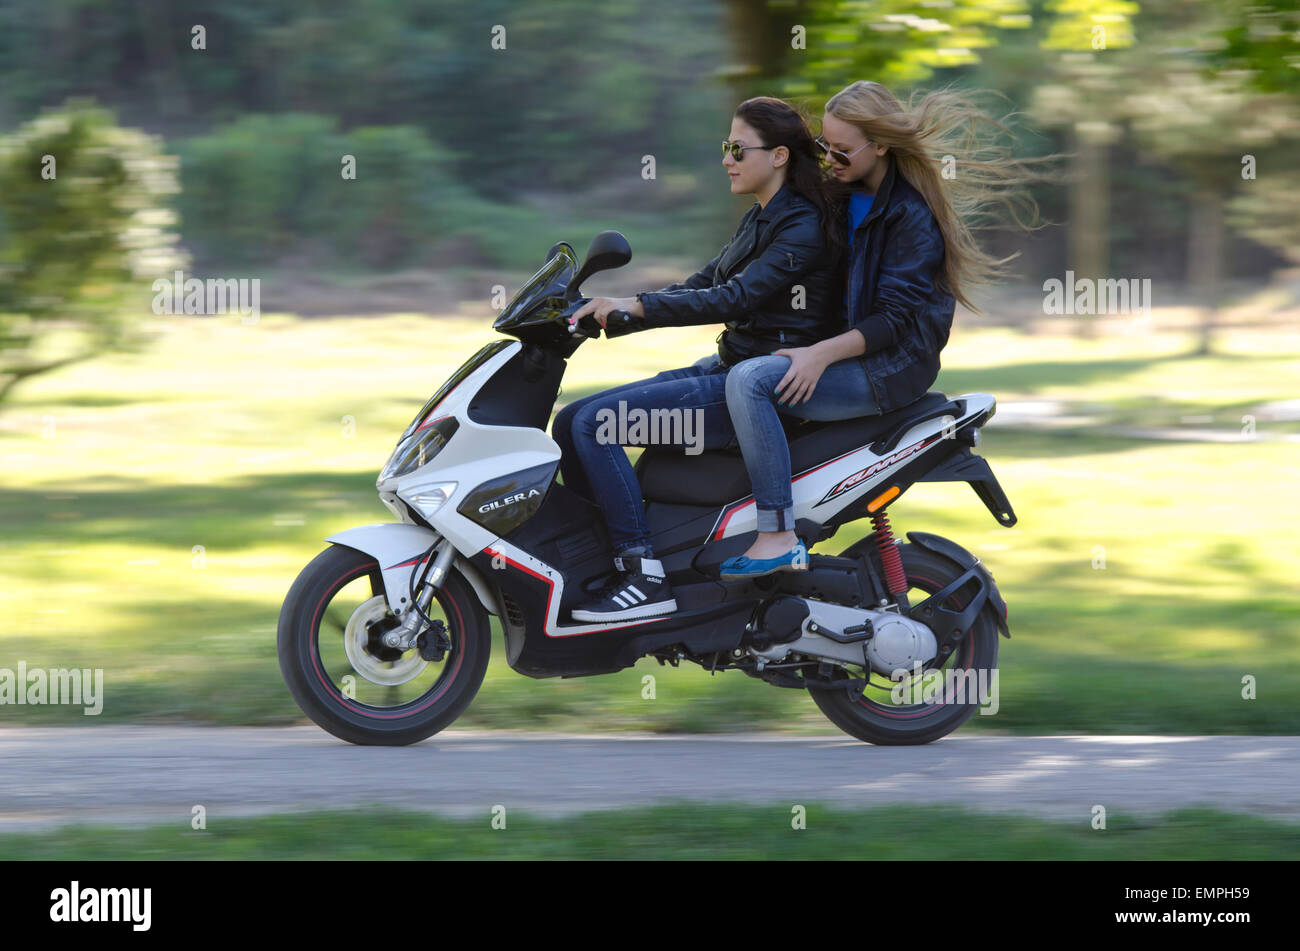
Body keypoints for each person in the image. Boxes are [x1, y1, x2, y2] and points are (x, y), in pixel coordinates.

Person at [717, 80, 1048, 579]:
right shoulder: (839, 195)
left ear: (881, 145)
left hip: (887, 368)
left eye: (842, 150)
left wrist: (817, 355)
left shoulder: (911, 216)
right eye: (823, 147)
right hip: (843, 353)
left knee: (751, 382)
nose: (830, 159)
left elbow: (892, 321)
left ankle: (778, 536)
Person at [552, 96, 842, 622]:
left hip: (753, 390)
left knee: (598, 426)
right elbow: (705, 283)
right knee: (572, 418)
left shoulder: (800, 227)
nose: (727, 159)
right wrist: (614, 308)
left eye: (737, 148)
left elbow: (734, 299)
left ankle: (643, 576)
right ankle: (599, 562)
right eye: (724, 147)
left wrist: (636, 307)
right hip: (725, 368)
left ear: (778, 156)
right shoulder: (762, 218)